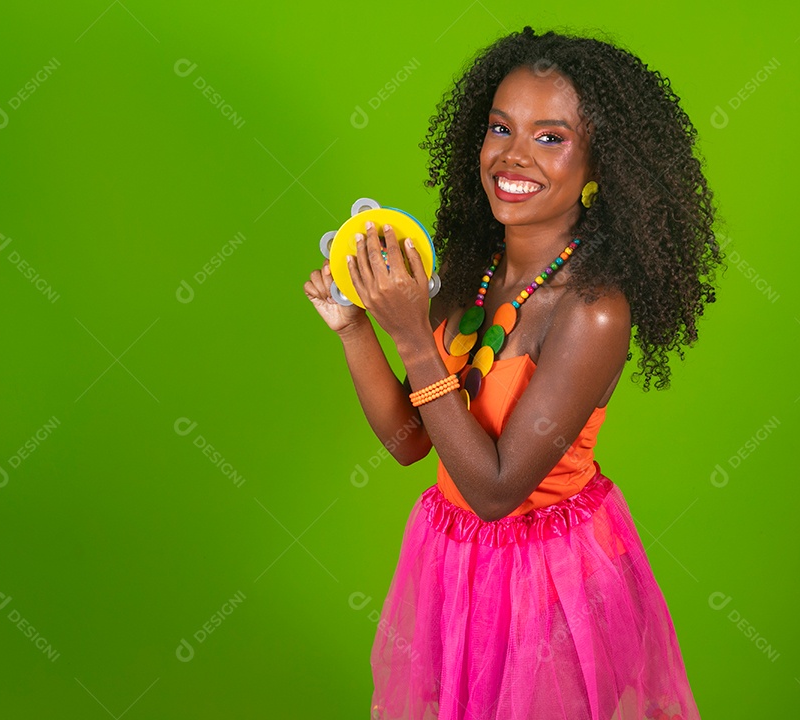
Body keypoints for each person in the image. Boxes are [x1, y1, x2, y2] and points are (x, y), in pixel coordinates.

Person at [304, 25, 723, 720]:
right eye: (501, 127)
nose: (514, 155)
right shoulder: (471, 274)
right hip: (453, 565)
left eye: (551, 137)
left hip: (552, 585)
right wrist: (354, 328)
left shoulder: (593, 312)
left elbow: (497, 490)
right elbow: (411, 442)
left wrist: (410, 332)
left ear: (598, 166)